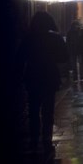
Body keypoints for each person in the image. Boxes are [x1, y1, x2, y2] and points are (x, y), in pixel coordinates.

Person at [17, 11, 68, 154]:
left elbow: (20, 60)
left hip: (33, 77)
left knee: (33, 111)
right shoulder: (55, 38)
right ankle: (47, 141)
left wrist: (18, 77)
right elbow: (64, 58)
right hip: (49, 77)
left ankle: (34, 140)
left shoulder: (28, 39)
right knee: (48, 111)